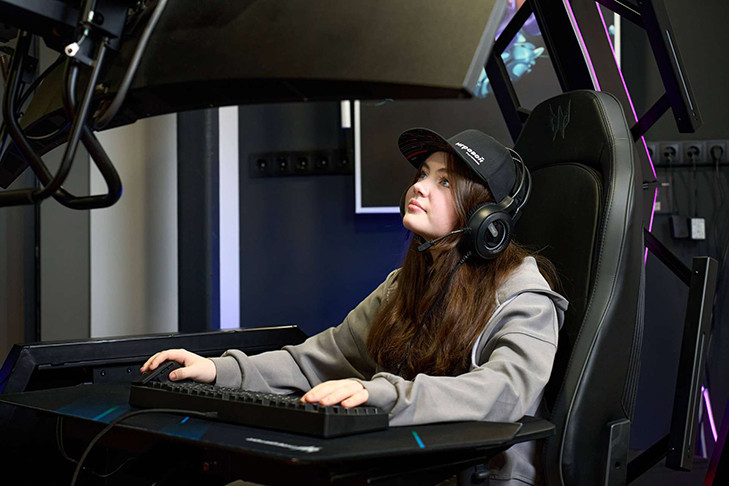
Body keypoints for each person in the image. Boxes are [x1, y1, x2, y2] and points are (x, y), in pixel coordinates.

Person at [141, 128, 568, 486]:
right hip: (401, 463)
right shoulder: (404, 286)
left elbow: (502, 392)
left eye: (445, 182)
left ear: (486, 218)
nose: (419, 186)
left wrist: (377, 394)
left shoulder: (525, 296)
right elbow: (318, 359)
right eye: (423, 173)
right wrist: (218, 371)